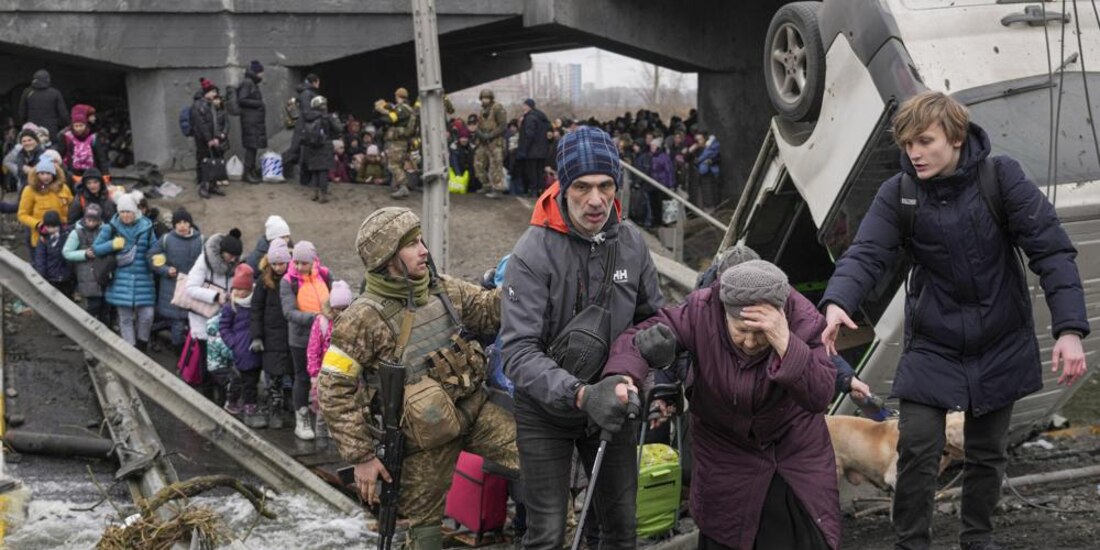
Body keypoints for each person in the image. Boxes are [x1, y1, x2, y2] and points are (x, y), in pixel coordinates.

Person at [818, 91, 1090, 550]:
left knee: (986, 452)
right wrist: (838, 298)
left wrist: (1068, 330)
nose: (915, 153)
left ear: (957, 137)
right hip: (933, 343)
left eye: (925, 141)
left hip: (999, 338)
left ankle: (977, 540)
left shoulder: (1001, 178)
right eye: (907, 145)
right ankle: (911, 543)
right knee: (917, 447)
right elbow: (867, 253)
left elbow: (1052, 251)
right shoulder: (899, 193)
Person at [500, 126, 664, 550]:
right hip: (544, 411)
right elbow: (517, 353)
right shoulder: (531, 252)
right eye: (582, 187)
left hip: (615, 400)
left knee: (620, 528)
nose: (596, 200)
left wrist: (652, 361)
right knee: (548, 533)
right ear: (561, 185)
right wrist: (580, 395)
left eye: (606, 185)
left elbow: (651, 317)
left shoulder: (632, 243)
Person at [318, 207, 516, 550]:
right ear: (387, 257)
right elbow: (333, 389)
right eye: (412, 245)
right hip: (423, 439)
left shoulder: (444, 289)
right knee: (424, 533)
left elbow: (487, 311)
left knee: (541, 460)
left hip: (475, 410)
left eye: (421, 240)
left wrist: (523, 282)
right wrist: (362, 456)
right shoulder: (361, 319)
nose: (424, 250)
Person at [606, 260, 840, 550]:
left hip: (790, 454)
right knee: (726, 532)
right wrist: (623, 376)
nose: (752, 342)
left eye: (761, 333)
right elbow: (637, 340)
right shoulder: (701, 311)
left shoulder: (802, 317)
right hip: (723, 455)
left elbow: (820, 394)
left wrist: (785, 342)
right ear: (724, 313)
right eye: (742, 330)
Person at [280, 240, 332, 440]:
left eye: (304, 263)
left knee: (328, 377)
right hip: (300, 339)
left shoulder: (325, 275)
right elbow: (289, 312)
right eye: (297, 263)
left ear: (313, 261)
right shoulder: (288, 282)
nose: (300, 267)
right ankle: (301, 418)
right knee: (302, 377)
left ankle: (325, 419)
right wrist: (316, 318)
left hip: (326, 337)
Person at [92, 193, 157, 350]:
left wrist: (158, 259)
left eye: (128, 212)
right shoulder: (111, 228)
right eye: (122, 212)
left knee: (147, 316)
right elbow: (95, 249)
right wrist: (112, 245)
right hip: (120, 279)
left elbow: (155, 249)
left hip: (143, 278)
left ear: (135, 212)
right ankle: (130, 349)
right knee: (125, 318)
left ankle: (142, 345)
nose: (125, 215)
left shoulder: (147, 227)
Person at [184, 228, 243, 391]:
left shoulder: (235, 265)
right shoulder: (204, 261)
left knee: (221, 360)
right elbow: (190, 288)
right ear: (222, 251)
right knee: (205, 359)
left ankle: (222, 393)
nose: (232, 260)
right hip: (202, 318)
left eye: (235, 257)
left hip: (222, 321)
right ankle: (207, 394)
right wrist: (216, 296)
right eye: (230, 256)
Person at [251, 238, 294, 428]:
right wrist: (257, 335)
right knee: (275, 376)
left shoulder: (295, 279)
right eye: (274, 263)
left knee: (292, 372)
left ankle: (290, 401)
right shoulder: (264, 281)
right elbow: (256, 309)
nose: (278, 267)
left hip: (291, 332)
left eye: (281, 263)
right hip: (272, 335)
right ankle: (275, 409)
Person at [150, 208, 204, 350]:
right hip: (171, 289)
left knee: (188, 322)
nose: (182, 225)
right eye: (178, 222)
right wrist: (165, 270)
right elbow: (151, 257)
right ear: (174, 225)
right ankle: (179, 352)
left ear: (190, 224)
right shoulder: (166, 239)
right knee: (178, 322)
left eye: (185, 222)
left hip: (192, 288)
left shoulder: (201, 240)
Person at [219, 263, 266, 427]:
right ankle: (244, 405)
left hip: (255, 349)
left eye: (241, 289)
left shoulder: (256, 303)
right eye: (235, 289)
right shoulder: (231, 307)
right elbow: (223, 327)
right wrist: (234, 343)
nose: (237, 292)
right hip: (241, 350)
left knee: (251, 379)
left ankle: (246, 405)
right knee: (244, 380)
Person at [305, 279, 353, 438]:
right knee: (323, 408)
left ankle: (337, 434)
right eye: (338, 309)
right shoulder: (322, 322)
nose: (341, 312)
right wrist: (314, 374)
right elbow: (313, 350)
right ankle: (321, 435)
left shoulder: (354, 322)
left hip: (347, 373)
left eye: (344, 308)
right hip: (325, 374)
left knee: (343, 406)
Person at [63, 203, 111, 325]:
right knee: (92, 306)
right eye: (88, 219)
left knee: (106, 307)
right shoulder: (77, 233)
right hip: (86, 275)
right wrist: (84, 254)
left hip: (104, 274)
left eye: (94, 220)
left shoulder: (105, 231)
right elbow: (67, 252)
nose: (90, 222)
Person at [18, 157, 73, 250]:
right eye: (42, 173)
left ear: (54, 174)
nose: (45, 177)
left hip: (63, 238)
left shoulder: (63, 188)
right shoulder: (29, 190)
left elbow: (72, 208)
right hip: (41, 239)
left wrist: (67, 224)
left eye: (48, 173)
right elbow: (22, 215)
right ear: (37, 174)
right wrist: (38, 225)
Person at [300, 96, 342, 204]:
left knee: (315, 170)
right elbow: (339, 129)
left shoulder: (308, 116)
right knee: (323, 171)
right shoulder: (327, 117)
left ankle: (315, 193)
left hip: (311, 146)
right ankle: (323, 195)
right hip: (325, 145)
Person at [377, 87, 417, 199]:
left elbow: (391, 119)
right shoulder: (409, 108)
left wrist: (382, 110)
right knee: (398, 164)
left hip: (398, 141)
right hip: (403, 141)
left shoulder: (402, 109)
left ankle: (403, 186)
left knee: (393, 164)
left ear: (398, 96)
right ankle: (396, 187)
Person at [191, 78, 228, 199]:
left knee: (213, 162)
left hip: (212, 139)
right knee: (205, 163)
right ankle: (204, 187)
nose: (215, 94)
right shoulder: (198, 106)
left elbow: (215, 123)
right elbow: (201, 125)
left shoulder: (210, 105)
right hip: (203, 140)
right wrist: (209, 139)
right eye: (212, 92)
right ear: (206, 92)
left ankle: (213, 186)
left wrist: (217, 137)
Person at [58, 104, 109, 179]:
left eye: (81, 126)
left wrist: (105, 174)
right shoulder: (66, 136)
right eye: (76, 126)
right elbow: (61, 154)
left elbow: (101, 157)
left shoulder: (93, 136)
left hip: (91, 171)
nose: (79, 129)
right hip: (73, 172)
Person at [473, 89, 507, 199]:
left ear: (491, 98)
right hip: (483, 141)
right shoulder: (482, 111)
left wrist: (490, 135)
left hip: (495, 141)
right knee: (478, 163)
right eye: (483, 98)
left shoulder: (497, 108)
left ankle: (497, 189)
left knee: (496, 165)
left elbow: (502, 126)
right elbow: (478, 125)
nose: (485, 100)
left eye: (487, 98)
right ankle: (486, 185)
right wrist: (479, 133)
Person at [238, 60, 268, 184]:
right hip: (250, 121)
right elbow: (242, 99)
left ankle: (251, 172)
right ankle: (247, 174)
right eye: (261, 72)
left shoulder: (252, 83)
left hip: (254, 121)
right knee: (251, 147)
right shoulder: (247, 83)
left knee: (254, 147)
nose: (262, 75)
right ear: (256, 72)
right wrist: (259, 103)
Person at [33, 210, 75, 298]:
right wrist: (41, 276)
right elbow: (40, 259)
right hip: (51, 277)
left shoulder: (67, 234)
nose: (51, 229)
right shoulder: (43, 239)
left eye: (54, 226)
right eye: (48, 227)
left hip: (67, 276)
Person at [18, 69, 68, 139]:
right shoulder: (55, 93)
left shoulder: (27, 92)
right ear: (48, 80)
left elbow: (22, 113)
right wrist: (64, 125)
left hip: (32, 128)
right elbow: (63, 114)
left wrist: (24, 124)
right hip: (51, 129)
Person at [517, 99, 551, 197]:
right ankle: (540, 190)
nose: (523, 108)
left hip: (532, 151)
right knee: (540, 171)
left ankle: (534, 191)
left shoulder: (530, 118)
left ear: (528, 106)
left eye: (524, 106)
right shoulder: (541, 117)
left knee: (532, 171)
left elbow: (529, 135)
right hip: (542, 150)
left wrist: (524, 149)